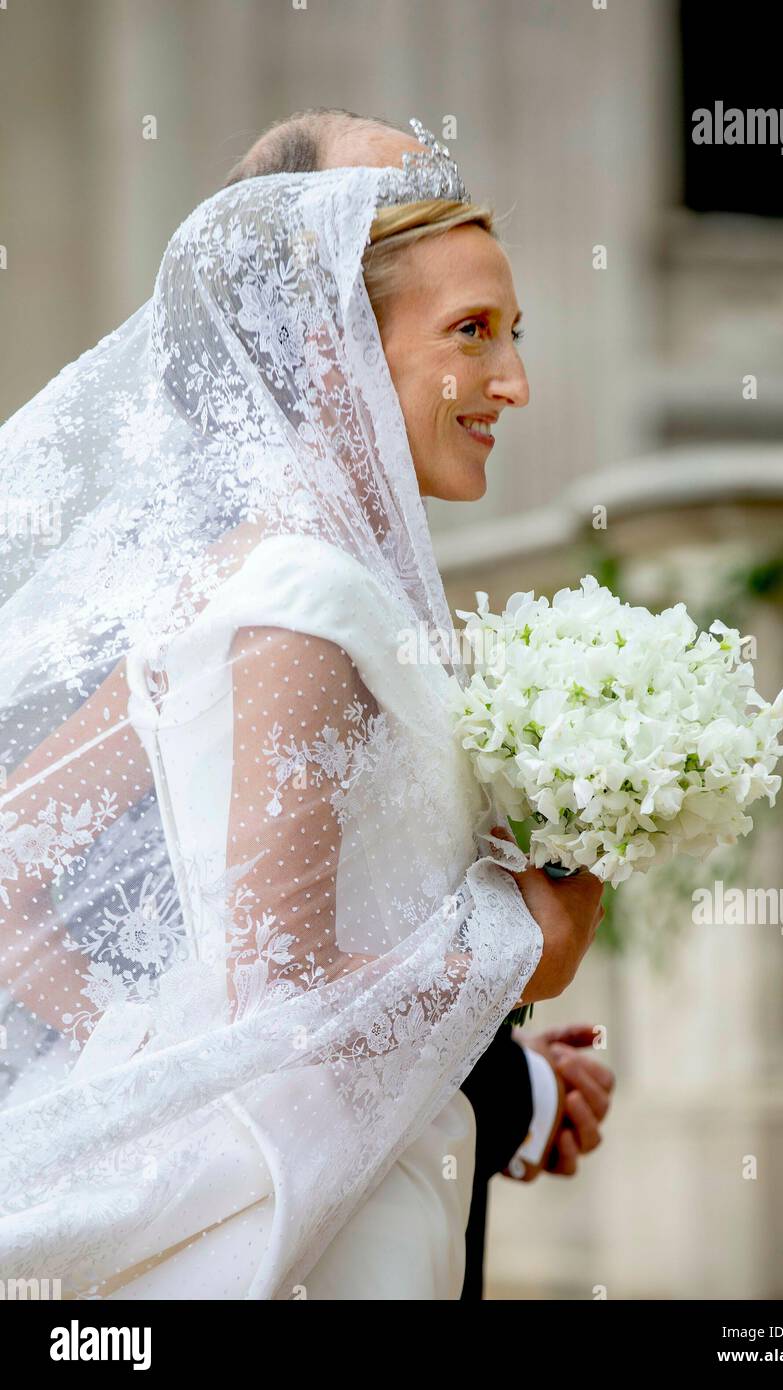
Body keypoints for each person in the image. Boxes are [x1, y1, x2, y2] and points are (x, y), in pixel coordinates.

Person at [0, 115, 605, 1299]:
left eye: (512, 334)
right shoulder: (305, 592)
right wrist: (526, 946)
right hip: (332, 1215)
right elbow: (285, 998)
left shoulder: (243, 567)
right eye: (471, 334)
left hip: (349, 1157)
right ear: (334, 344)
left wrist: (149, 1071)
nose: (515, 382)